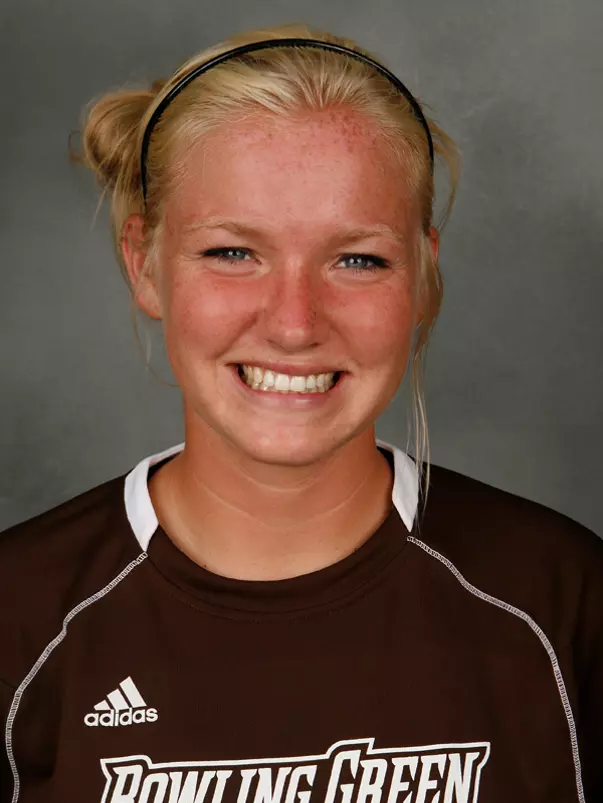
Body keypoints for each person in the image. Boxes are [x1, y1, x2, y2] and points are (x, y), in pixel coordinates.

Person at [0, 22, 601, 803]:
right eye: (231, 252)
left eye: (357, 258)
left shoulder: (560, 599)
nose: (293, 323)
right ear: (144, 264)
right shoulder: (19, 615)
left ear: (421, 276)